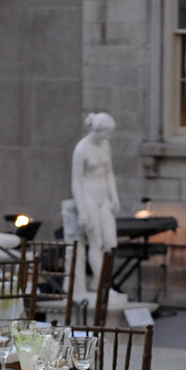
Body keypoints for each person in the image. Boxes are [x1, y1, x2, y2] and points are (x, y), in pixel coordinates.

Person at [71, 112, 121, 291]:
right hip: (88, 195)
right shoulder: (81, 149)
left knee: (110, 242)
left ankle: (101, 281)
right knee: (96, 241)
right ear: (97, 130)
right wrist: (82, 210)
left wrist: (114, 197)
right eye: (106, 133)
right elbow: (76, 180)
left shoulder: (105, 144)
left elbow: (109, 173)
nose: (108, 137)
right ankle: (102, 285)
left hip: (104, 196)